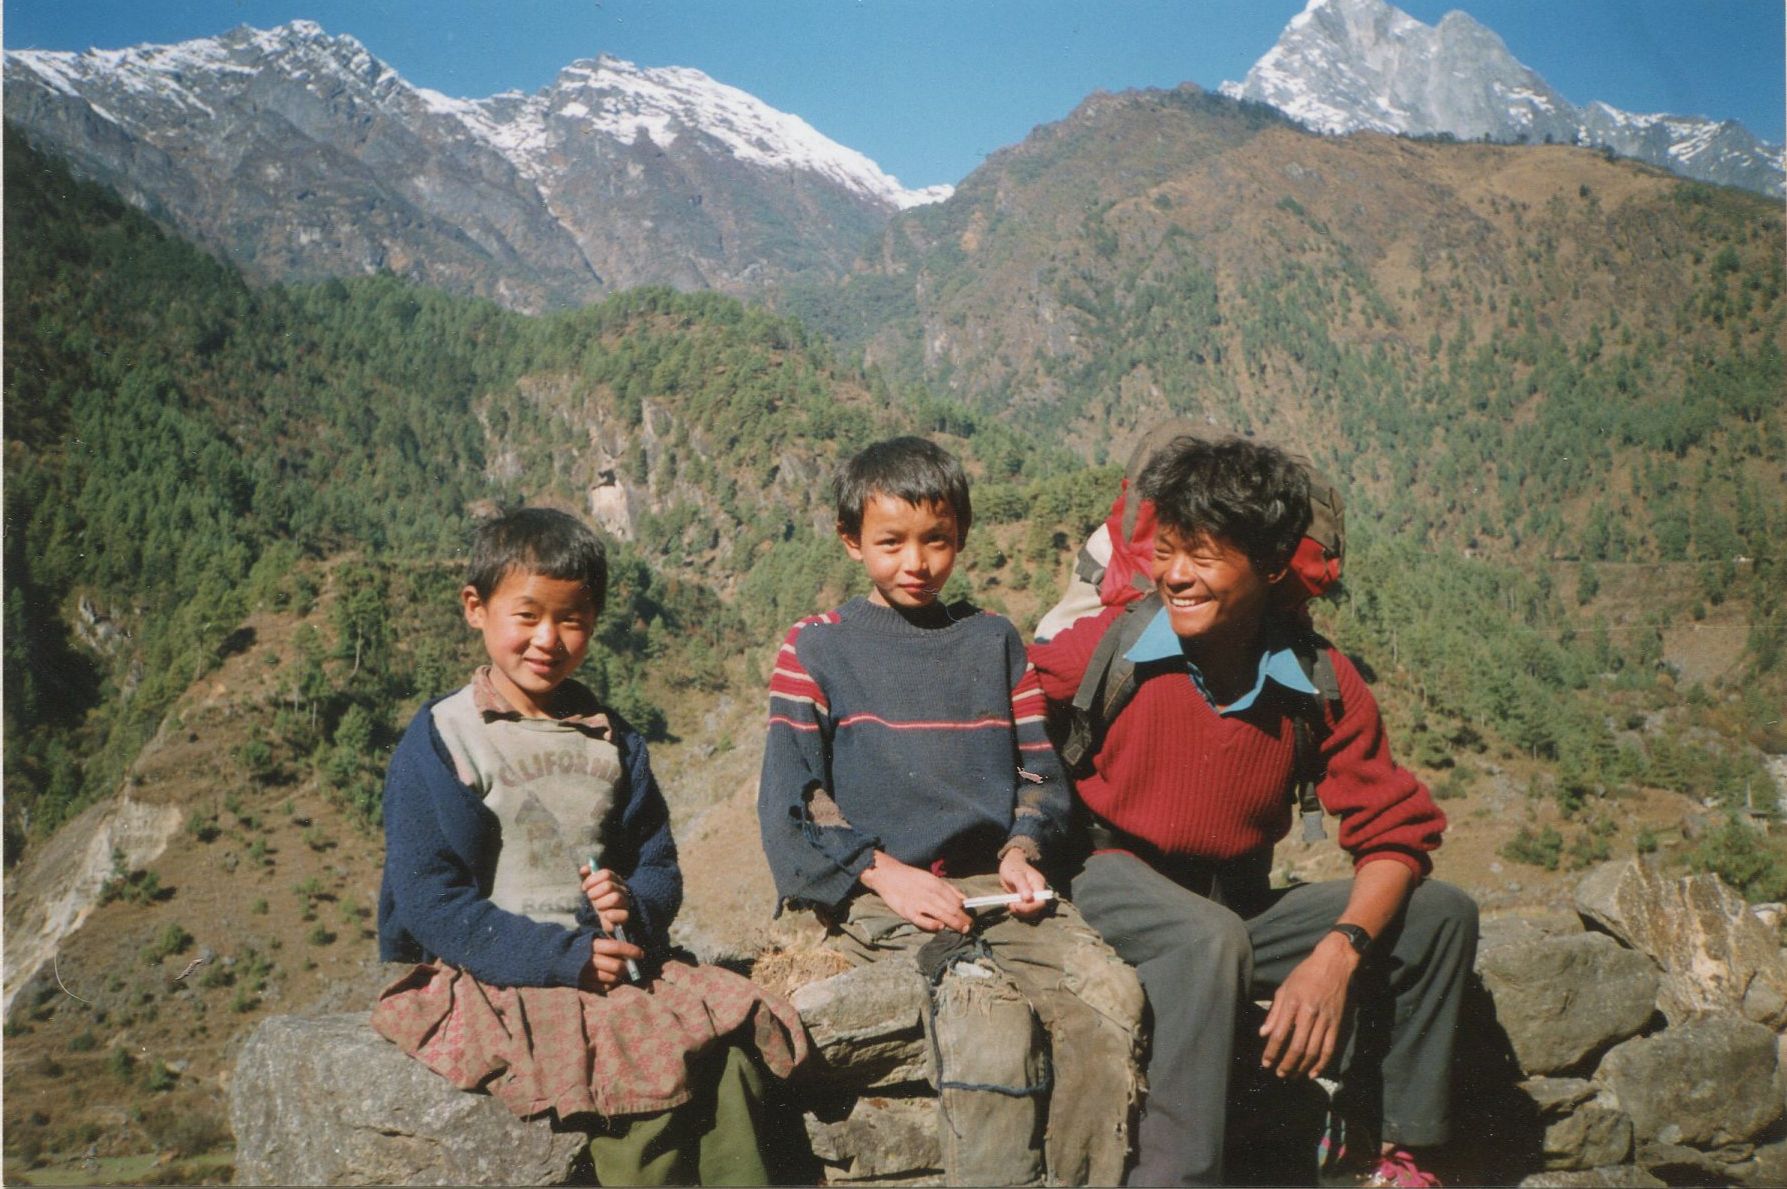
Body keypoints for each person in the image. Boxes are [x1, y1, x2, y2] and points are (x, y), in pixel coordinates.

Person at [1029, 435, 1479, 1188]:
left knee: (1438, 913)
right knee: (1206, 941)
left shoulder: (1315, 680)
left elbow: (1395, 834)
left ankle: (1401, 1155)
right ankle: (1178, 1177)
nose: (1175, 575)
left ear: (1271, 567)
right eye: (1165, 551)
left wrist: (1335, 954)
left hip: (1236, 900)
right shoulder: (1103, 652)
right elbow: (994, 719)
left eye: (1202, 557)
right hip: (1113, 879)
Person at [373, 507, 807, 1186]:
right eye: (527, 615)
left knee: (728, 1061)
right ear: (475, 608)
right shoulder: (445, 737)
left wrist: (631, 900)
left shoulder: (612, 739)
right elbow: (431, 899)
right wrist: (563, 957)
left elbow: (657, 863)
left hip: (613, 964)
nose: (548, 638)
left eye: (571, 618)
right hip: (501, 970)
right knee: (638, 1086)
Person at [758, 437, 1144, 1186]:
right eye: (890, 541)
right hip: (889, 893)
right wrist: (881, 873)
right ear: (851, 540)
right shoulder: (815, 647)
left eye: (936, 540)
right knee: (984, 1015)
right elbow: (793, 800)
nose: (916, 562)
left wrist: (1020, 851)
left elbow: (1039, 771)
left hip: (995, 883)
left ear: (960, 536)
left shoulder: (992, 639)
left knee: (1109, 999)